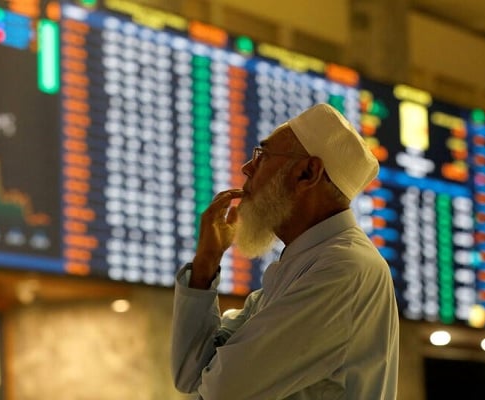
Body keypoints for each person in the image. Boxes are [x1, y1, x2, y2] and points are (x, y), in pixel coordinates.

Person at [171, 103, 399, 399]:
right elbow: (190, 376)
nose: (247, 168)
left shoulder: (344, 267)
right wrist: (205, 265)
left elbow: (224, 391)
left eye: (262, 157)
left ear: (307, 173)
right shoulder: (300, 265)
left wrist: (215, 372)